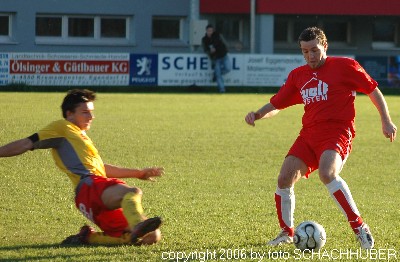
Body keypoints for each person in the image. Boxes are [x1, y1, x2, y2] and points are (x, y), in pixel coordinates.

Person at [244, 27, 397, 249]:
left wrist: (386, 120)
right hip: (308, 135)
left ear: (325, 46)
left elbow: (373, 90)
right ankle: (286, 233)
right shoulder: (298, 75)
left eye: (314, 50)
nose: (310, 56)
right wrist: (257, 114)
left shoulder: (345, 66)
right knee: (284, 178)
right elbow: (277, 104)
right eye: (305, 52)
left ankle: (359, 226)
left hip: (337, 132)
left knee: (327, 173)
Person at [0, 89, 164, 246]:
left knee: (152, 236)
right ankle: (137, 225)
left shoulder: (81, 138)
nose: (91, 116)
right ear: (69, 114)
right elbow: (26, 143)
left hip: (91, 194)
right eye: (85, 112)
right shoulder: (62, 127)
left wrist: (138, 173)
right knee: (132, 192)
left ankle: (89, 237)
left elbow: (101, 168)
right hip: (89, 186)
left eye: (91, 111)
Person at [202, 24, 231, 93]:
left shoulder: (218, 36)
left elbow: (224, 43)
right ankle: (222, 89)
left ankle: (215, 74)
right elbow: (205, 49)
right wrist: (210, 51)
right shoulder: (204, 39)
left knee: (228, 68)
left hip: (223, 55)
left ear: (213, 31)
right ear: (206, 31)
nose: (210, 32)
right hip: (215, 58)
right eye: (208, 31)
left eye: (211, 31)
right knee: (218, 74)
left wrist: (226, 50)